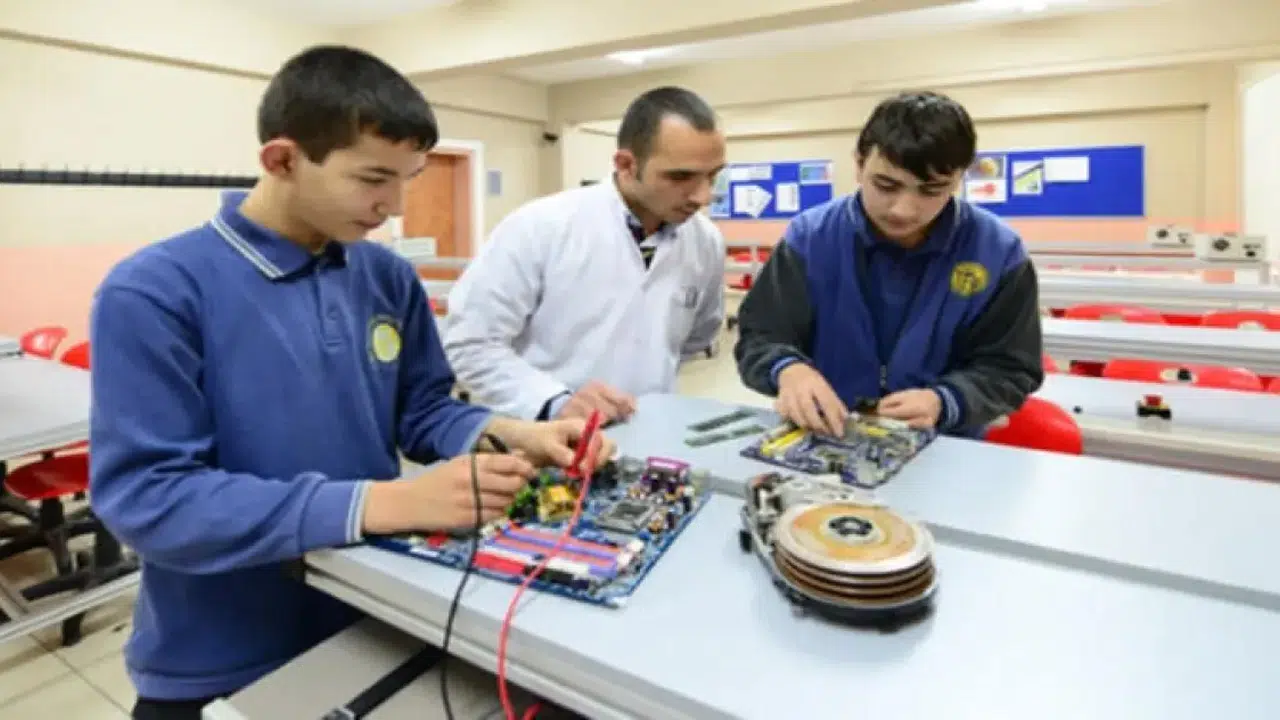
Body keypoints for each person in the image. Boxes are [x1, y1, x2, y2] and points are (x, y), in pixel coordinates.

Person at [88, 45, 612, 720]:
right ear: (281, 160)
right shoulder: (157, 291)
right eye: (372, 179)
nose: (392, 206)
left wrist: (504, 432)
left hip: (375, 615)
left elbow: (420, 410)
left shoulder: (385, 277)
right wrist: (379, 505)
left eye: (408, 179)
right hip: (219, 656)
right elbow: (149, 499)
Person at [734, 90, 1043, 438]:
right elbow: (760, 336)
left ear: (959, 179)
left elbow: (1013, 368)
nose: (903, 209)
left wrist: (945, 401)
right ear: (859, 163)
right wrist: (788, 370)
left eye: (931, 191)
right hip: (829, 436)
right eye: (886, 185)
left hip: (944, 446)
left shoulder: (998, 252)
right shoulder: (810, 238)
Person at [443, 86, 728, 425]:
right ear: (625, 164)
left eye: (712, 176)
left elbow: (696, 337)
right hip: (541, 435)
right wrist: (555, 402)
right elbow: (471, 342)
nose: (703, 196)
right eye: (680, 176)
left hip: (647, 433)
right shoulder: (540, 227)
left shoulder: (705, 241)